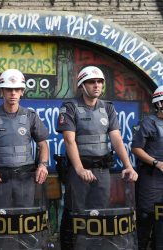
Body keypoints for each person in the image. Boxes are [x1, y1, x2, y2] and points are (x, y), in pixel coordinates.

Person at [57, 66, 138, 250]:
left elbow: (116, 138)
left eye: (99, 82)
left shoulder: (108, 107)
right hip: (79, 172)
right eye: (91, 82)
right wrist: (79, 170)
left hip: (102, 171)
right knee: (74, 214)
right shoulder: (70, 107)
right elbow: (69, 140)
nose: (96, 85)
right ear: (82, 85)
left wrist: (128, 165)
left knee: (99, 214)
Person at [0, 69, 50, 249]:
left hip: (25, 178)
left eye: (17, 89)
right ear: (1, 91)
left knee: (24, 220)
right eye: (8, 89)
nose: (13, 93)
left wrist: (43, 165)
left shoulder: (30, 116)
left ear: (22, 91)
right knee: (1, 221)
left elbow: (43, 144)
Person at [132, 85, 163, 250]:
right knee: (147, 217)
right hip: (151, 177)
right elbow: (136, 148)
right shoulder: (148, 122)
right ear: (159, 103)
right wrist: (156, 163)